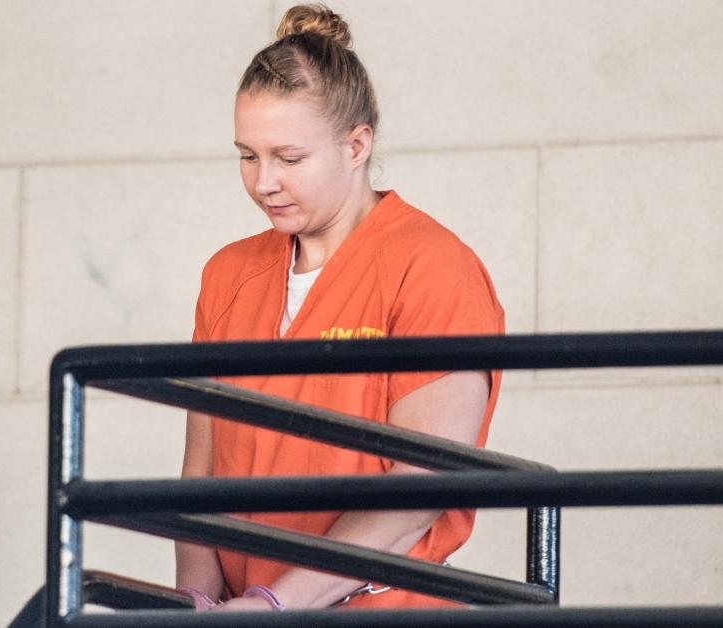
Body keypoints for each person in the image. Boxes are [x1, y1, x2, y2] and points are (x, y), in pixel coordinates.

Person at [176, 3, 505, 612]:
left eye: (289, 158)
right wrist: (195, 599)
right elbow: (202, 470)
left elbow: (423, 487)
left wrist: (275, 603)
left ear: (356, 145)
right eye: (248, 156)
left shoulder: (433, 267)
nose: (262, 182)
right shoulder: (226, 275)